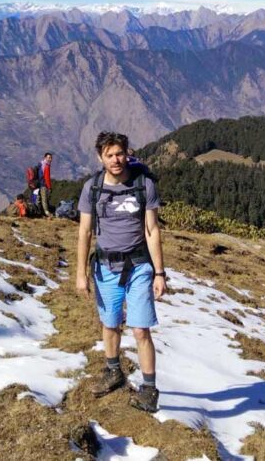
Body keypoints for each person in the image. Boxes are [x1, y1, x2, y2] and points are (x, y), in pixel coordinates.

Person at [76, 131, 167, 413]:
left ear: (128, 153)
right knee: (110, 324)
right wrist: (80, 273)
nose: (116, 160)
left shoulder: (144, 185)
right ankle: (113, 371)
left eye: (120, 154)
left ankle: (149, 389)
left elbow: (152, 230)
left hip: (139, 266)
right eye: (110, 155)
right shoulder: (92, 188)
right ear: (100, 157)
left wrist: (160, 273)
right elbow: (85, 231)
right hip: (105, 267)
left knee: (140, 330)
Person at [39, 152, 53, 218]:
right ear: (45, 158)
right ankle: (47, 213)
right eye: (48, 158)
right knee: (45, 199)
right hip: (44, 185)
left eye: (51, 158)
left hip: (40, 184)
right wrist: (49, 187)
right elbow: (47, 178)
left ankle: (43, 212)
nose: (50, 159)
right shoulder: (46, 166)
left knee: (42, 199)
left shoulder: (41, 164)